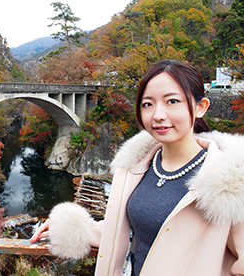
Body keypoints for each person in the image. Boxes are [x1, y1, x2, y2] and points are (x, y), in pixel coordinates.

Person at [30, 59, 244, 276]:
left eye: (172, 101)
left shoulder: (231, 181)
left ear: (200, 107)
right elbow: (134, 233)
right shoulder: (136, 167)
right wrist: (71, 228)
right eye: (148, 104)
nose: (158, 115)